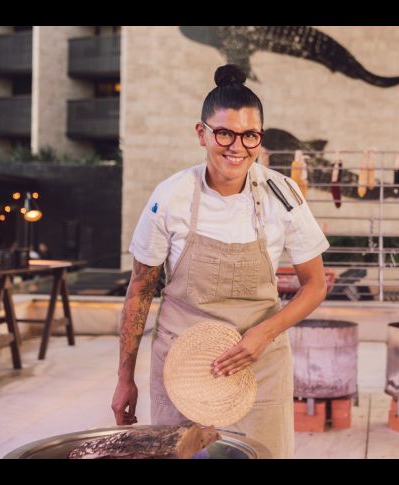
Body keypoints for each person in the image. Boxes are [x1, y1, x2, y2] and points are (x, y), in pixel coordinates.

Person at [111, 65, 330, 458]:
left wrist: (264, 333)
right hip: (182, 367)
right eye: (224, 133)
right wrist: (124, 378)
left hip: (258, 367)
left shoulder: (283, 194)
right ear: (202, 134)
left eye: (250, 135)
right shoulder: (172, 195)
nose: (237, 146)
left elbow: (315, 285)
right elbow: (140, 289)